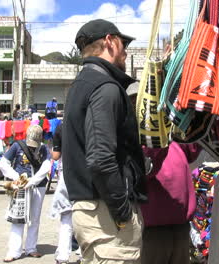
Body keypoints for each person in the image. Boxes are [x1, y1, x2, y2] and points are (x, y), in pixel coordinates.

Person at [62, 19, 147, 263]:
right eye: (123, 43)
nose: (126, 50)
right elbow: (100, 158)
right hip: (106, 216)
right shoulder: (105, 87)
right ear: (110, 41)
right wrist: (122, 213)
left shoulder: (82, 84)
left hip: (95, 210)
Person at [126, 84, 201, 264]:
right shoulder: (132, 140)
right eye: (135, 102)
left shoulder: (169, 135)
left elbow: (192, 146)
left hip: (181, 227)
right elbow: (145, 169)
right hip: (152, 231)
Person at [0, 125, 51, 262]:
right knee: (18, 218)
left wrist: (33, 181)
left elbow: (46, 166)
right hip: (20, 187)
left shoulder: (43, 148)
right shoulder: (17, 146)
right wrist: (16, 177)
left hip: (38, 186)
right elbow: (3, 163)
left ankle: (31, 248)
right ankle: (14, 251)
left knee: (35, 218)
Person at [49, 124, 80, 264]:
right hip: (85, 173)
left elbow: (55, 156)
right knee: (85, 214)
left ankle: (62, 256)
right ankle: (83, 253)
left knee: (66, 217)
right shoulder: (88, 122)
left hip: (66, 175)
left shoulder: (61, 128)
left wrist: (51, 151)